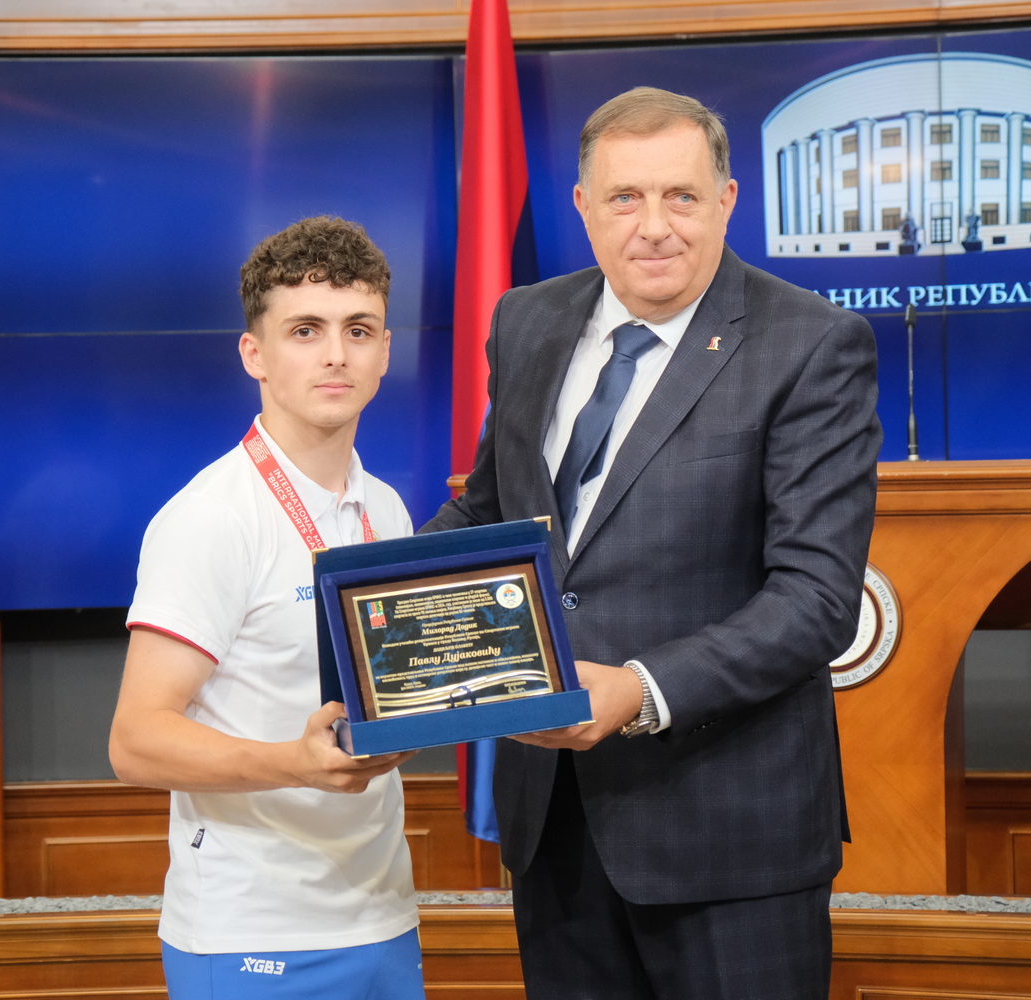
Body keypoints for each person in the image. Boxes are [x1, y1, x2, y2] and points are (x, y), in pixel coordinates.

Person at [423, 87, 882, 999]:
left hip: (730, 838)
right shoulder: (527, 320)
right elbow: (488, 515)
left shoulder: (812, 343)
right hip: (553, 823)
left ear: (727, 200)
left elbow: (817, 598)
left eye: (681, 196)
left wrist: (637, 690)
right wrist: (363, 609)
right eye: (626, 198)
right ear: (584, 206)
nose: (655, 227)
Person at [109, 216, 425, 1000]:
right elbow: (135, 742)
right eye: (305, 330)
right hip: (252, 932)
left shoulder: (387, 509)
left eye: (359, 330)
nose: (336, 354)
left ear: (385, 351)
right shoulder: (212, 517)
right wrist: (296, 763)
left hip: (383, 913)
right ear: (255, 353)